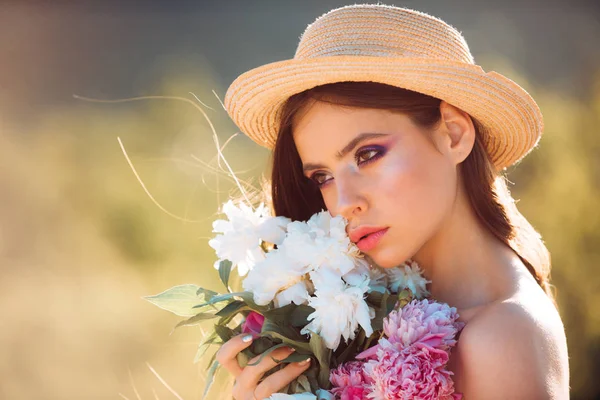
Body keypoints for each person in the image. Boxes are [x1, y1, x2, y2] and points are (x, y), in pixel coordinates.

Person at [215, 4, 570, 399]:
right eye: (323, 177)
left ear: (453, 134)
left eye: (367, 155)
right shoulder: (354, 322)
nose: (345, 203)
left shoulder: (500, 338)